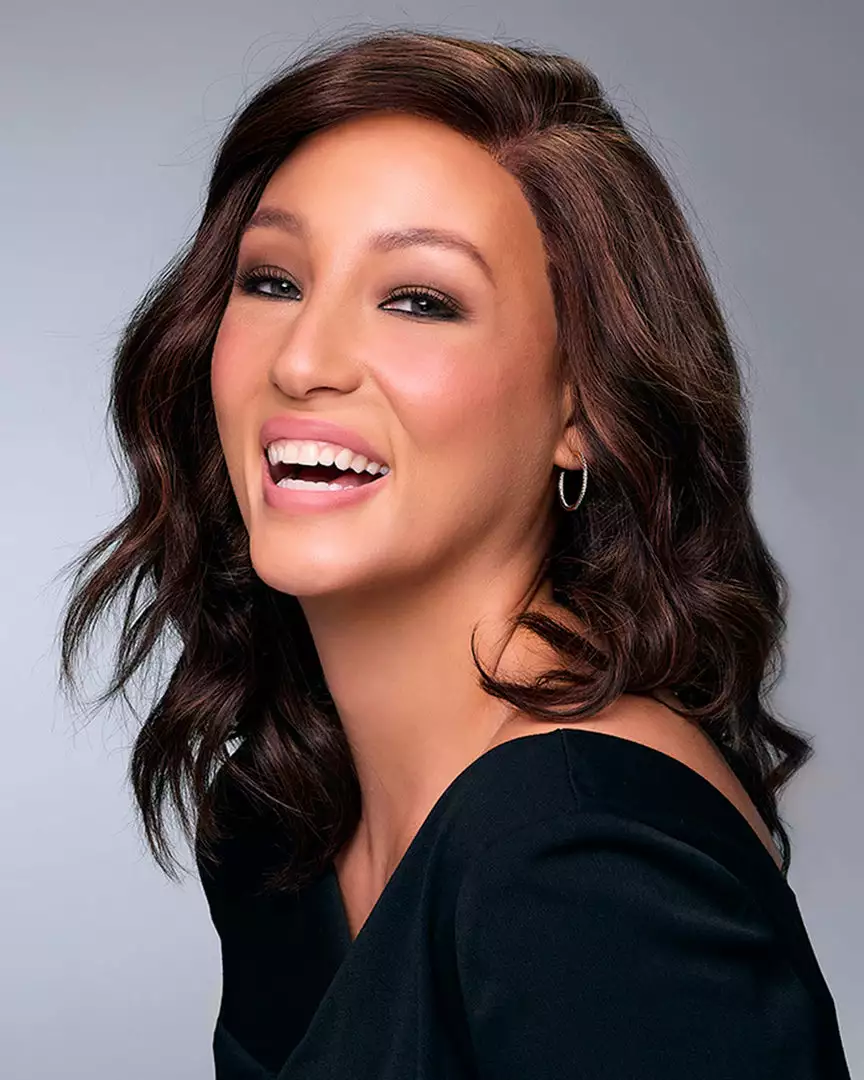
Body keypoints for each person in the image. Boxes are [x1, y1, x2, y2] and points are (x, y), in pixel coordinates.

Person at [57, 26, 851, 1080]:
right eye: (274, 281)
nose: (303, 360)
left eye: (419, 300)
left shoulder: (577, 858)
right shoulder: (276, 821)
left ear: (583, 409)